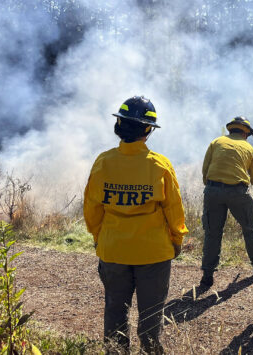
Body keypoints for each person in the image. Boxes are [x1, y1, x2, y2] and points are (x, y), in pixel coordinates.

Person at [84, 96, 188, 354]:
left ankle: (115, 350)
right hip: (153, 253)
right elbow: (174, 210)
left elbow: (92, 209)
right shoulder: (159, 165)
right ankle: (151, 350)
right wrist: (177, 240)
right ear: (147, 129)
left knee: (115, 309)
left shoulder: (103, 162)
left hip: (113, 250)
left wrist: (101, 238)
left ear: (119, 125)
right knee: (151, 313)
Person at [200, 116, 253, 287]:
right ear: (246, 133)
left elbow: (205, 169)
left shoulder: (216, 142)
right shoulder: (248, 148)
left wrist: (212, 188)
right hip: (237, 192)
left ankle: (207, 275)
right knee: (250, 228)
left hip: (212, 190)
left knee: (212, 232)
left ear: (231, 129)